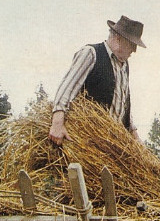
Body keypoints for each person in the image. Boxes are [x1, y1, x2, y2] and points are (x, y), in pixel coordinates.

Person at [48, 15, 146, 146]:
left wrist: (134, 135)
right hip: (86, 138)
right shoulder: (91, 53)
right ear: (118, 39)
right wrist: (57, 124)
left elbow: (123, 103)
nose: (134, 51)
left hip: (111, 143)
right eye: (132, 45)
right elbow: (67, 88)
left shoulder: (124, 65)